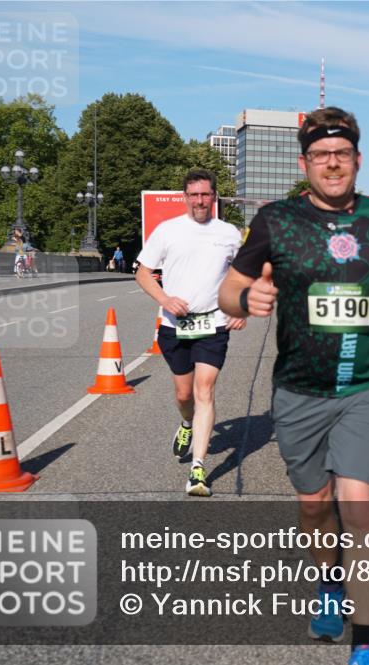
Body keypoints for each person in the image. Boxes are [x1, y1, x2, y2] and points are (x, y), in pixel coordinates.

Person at [218, 106, 369, 665]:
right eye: (321, 155)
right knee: (315, 505)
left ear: (357, 160)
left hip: (367, 386)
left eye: (341, 154)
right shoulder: (275, 220)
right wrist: (248, 299)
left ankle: (364, 646)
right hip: (299, 391)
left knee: (358, 505)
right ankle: (328, 586)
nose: (332, 163)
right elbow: (229, 291)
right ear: (305, 162)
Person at [135, 168, 247, 498]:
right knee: (185, 396)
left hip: (213, 324)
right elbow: (143, 274)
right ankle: (186, 424)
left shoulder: (229, 233)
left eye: (206, 194)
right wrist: (165, 298)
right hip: (175, 326)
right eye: (194, 195)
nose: (200, 200)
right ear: (186, 197)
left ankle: (197, 469)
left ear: (214, 197)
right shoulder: (167, 231)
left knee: (204, 391)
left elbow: (243, 276)